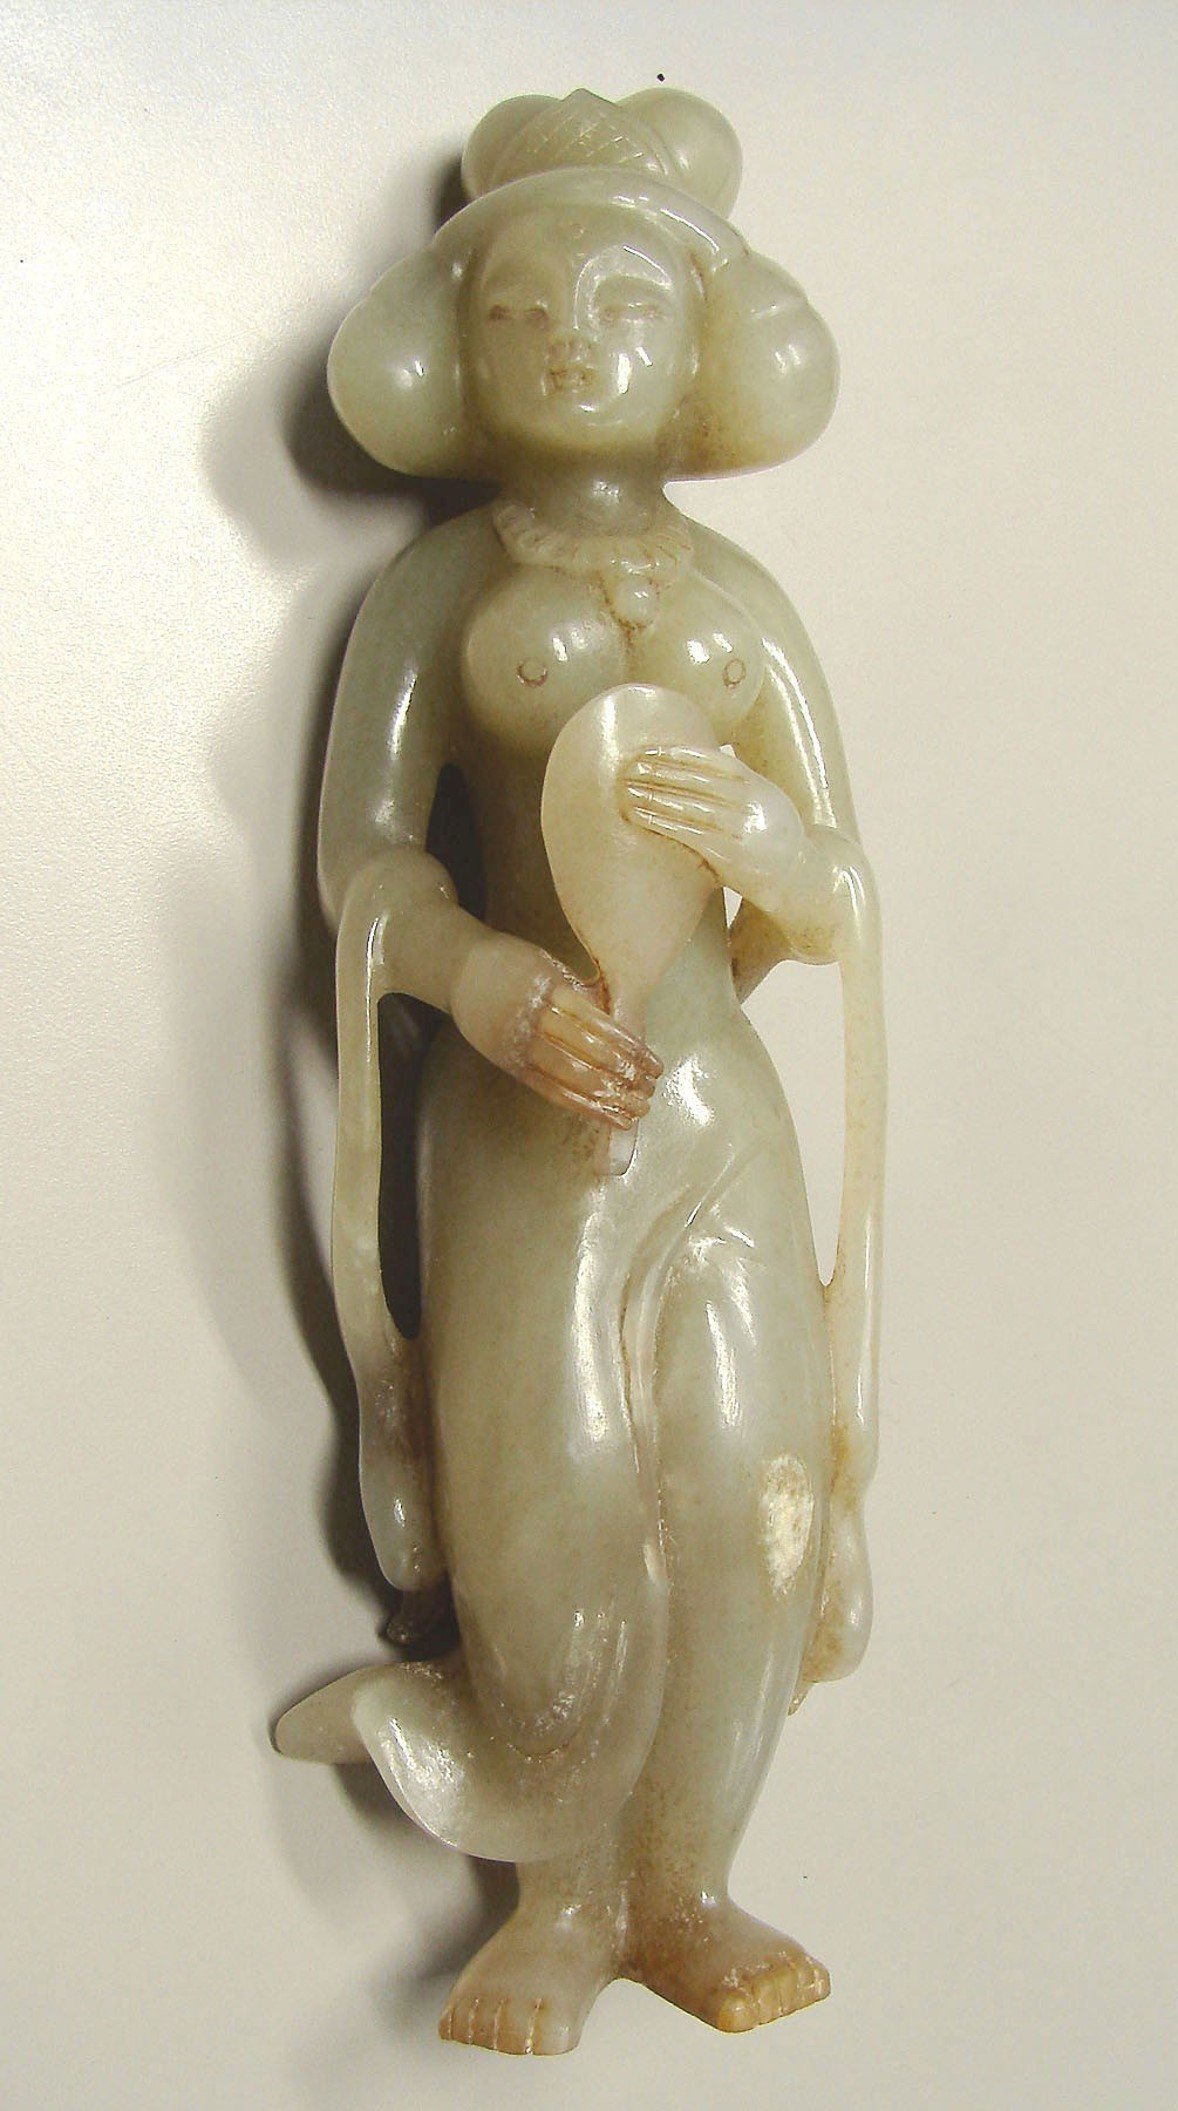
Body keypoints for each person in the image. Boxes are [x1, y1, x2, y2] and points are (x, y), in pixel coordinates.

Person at [276, 88, 885, 2055]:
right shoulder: (436, 594)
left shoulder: (738, 603)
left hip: (710, 1108)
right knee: (547, 1494)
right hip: (526, 1116)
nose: (567, 338)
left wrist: (767, 851)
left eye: (622, 299)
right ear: (454, 347)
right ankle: (556, 1900)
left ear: (704, 340)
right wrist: (470, 975)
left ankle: (686, 1884)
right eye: (518, 306)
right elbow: (361, 861)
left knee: (741, 1482)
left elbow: (838, 887)